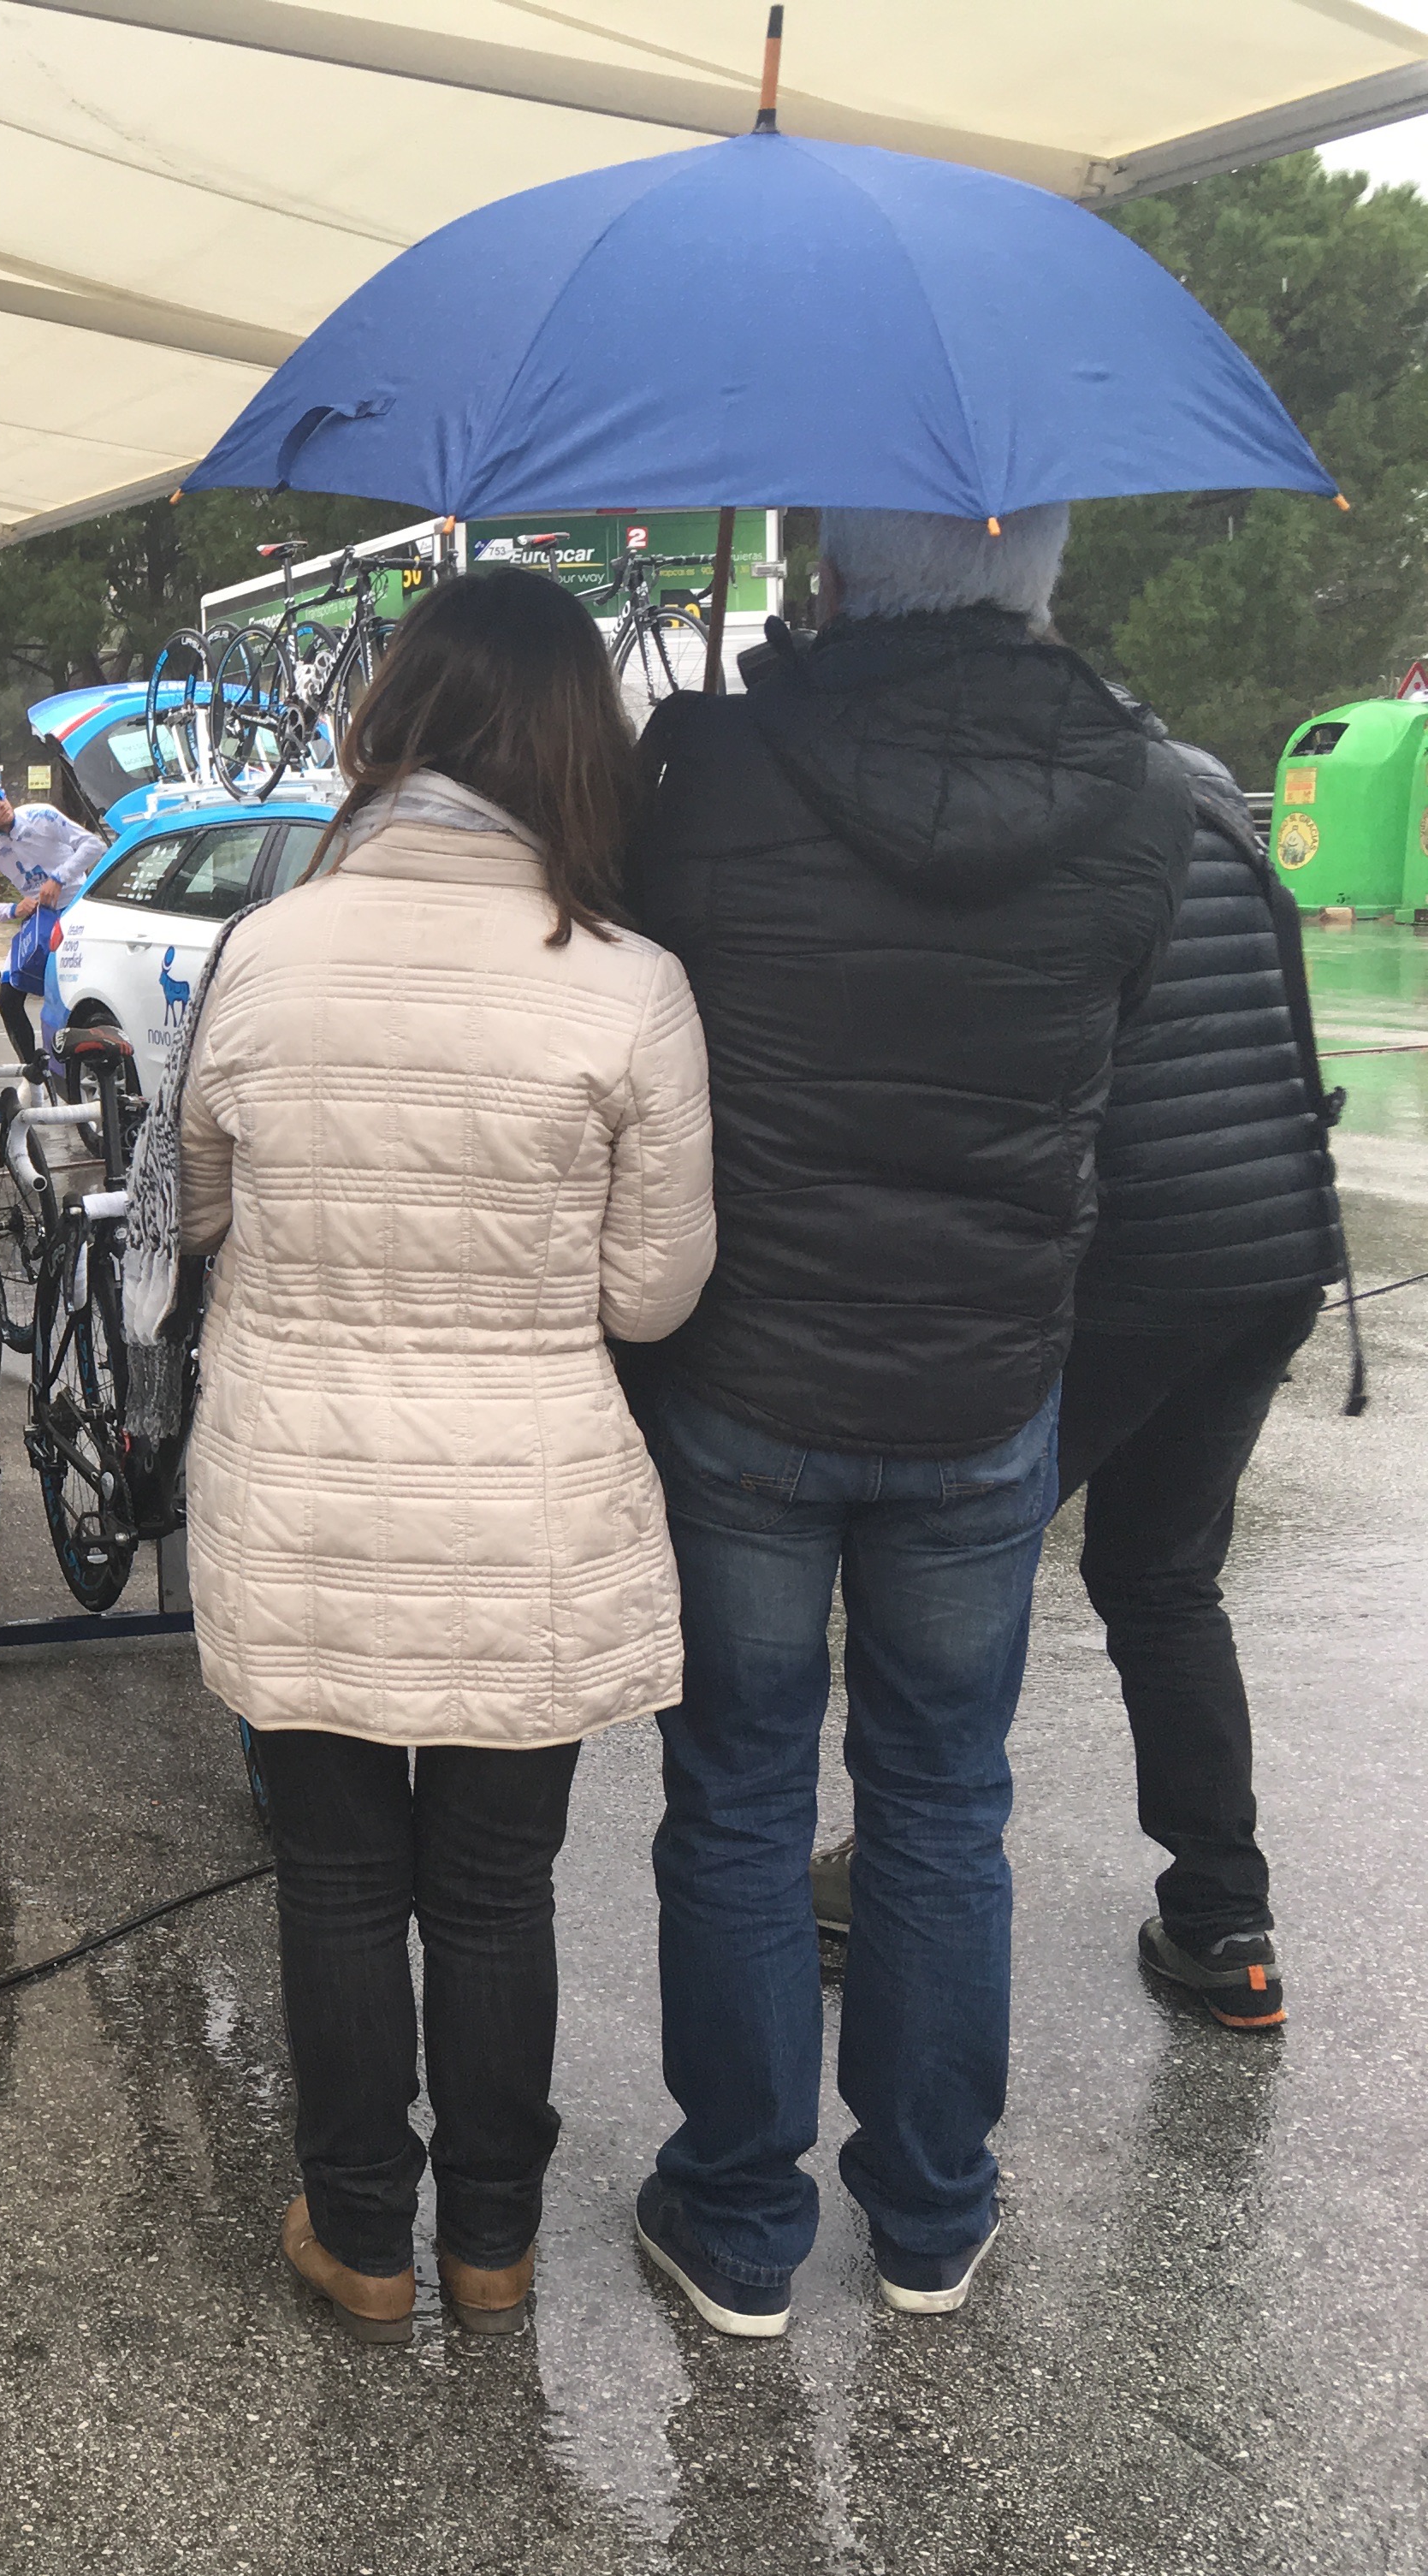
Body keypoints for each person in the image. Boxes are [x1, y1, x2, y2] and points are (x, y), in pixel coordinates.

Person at [622, 503, 1187, 2338]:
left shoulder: (709, 765)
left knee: (737, 1801)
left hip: (749, 1384)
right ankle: (934, 2217)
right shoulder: (1142, 791)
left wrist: (721, 723)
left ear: (830, 572)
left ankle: (737, 2220)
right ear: (1040, 581)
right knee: (947, 1804)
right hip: (982, 1387)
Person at [170, 567, 715, 2344]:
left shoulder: (263, 948)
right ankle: (493, 2245)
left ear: (392, 723)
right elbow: (652, 1298)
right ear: (580, 750)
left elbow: (194, 1207)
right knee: (495, 1893)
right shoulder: (633, 985)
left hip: (300, 1489)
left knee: (333, 1884)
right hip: (523, 1512)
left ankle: (362, 2240)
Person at [809, 711, 1348, 2032]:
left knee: (966, 1548)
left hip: (1139, 1256)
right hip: (1276, 1246)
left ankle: (894, 1868)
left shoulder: (1046, 829)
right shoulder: (1210, 798)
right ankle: (1228, 1923)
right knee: (1163, 1580)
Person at [0, 769, 104, 1071]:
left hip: (75, 908)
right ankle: (33, 1073)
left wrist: (59, 878)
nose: (2, 803)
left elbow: (93, 845)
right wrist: (12, 910)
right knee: (8, 1001)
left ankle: (84, 1063)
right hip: (38, 920)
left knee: (67, 991)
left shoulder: (41, 816)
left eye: (0, 795)